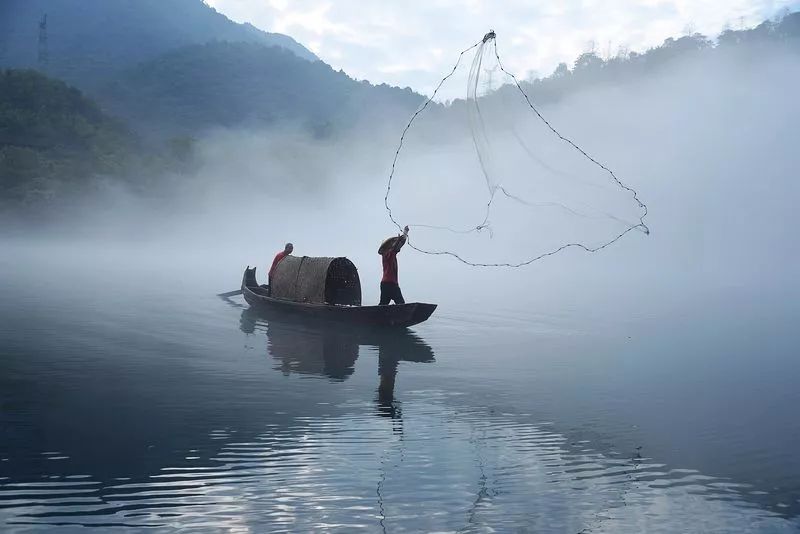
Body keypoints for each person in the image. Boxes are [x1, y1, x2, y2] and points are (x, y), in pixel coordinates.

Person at [378, 226, 408, 305]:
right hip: (389, 284)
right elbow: (396, 246)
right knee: (401, 304)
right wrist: (404, 233)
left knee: (383, 305)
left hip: (387, 284)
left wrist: (405, 234)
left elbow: (398, 246)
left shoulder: (391, 255)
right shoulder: (386, 254)